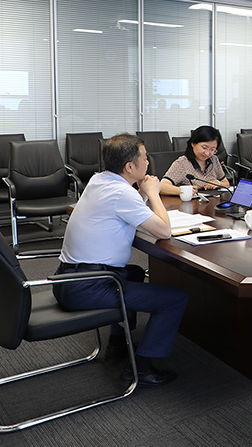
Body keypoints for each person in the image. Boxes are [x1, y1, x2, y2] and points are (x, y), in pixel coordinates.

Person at [54, 134, 188, 386]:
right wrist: (153, 193)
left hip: (67, 278)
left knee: (134, 273)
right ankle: (141, 369)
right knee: (175, 298)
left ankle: (117, 345)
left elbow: (125, 210)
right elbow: (164, 231)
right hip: (87, 287)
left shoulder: (99, 180)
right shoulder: (121, 192)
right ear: (129, 166)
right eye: (144, 158)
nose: (148, 162)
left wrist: (142, 194)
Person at [160, 125, 229, 195]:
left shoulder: (214, 159)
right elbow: (162, 186)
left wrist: (218, 183)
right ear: (193, 144)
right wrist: (183, 191)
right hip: (189, 201)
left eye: (212, 149)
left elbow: (226, 183)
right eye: (204, 148)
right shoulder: (182, 163)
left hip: (211, 200)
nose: (207, 153)